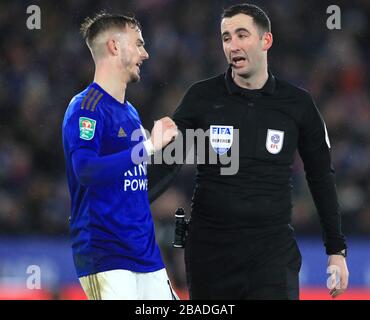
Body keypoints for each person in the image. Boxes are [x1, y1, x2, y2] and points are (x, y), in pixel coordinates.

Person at [148, 3, 349, 300]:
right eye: (226, 38)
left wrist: (336, 250)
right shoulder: (202, 97)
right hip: (209, 256)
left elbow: (320, 176)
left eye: (242, 35)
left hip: (272, 255)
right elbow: (168, 163)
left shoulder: (298, 104)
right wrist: (123, 202)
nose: (233, 45)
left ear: (265, 40)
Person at [62, 12, 178, 300]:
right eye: (138, 44)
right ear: (114, 46)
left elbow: (130, 178)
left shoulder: (130, 111)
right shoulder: (85, 108)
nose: (145, 53)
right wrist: (150, 147)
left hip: (145, 254)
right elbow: (86, 170)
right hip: (106, 255)